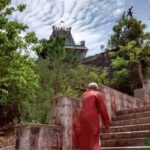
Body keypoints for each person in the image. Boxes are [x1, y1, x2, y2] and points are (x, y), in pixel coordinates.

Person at [79, 82, 110, 150]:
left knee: (85, 138)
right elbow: (103, 108)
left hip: (82, 117)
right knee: (94, 138)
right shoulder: (97, 94)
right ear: (96, 88)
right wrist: (106, 122)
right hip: (92, 117)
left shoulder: (84, 95)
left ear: (88, 88)